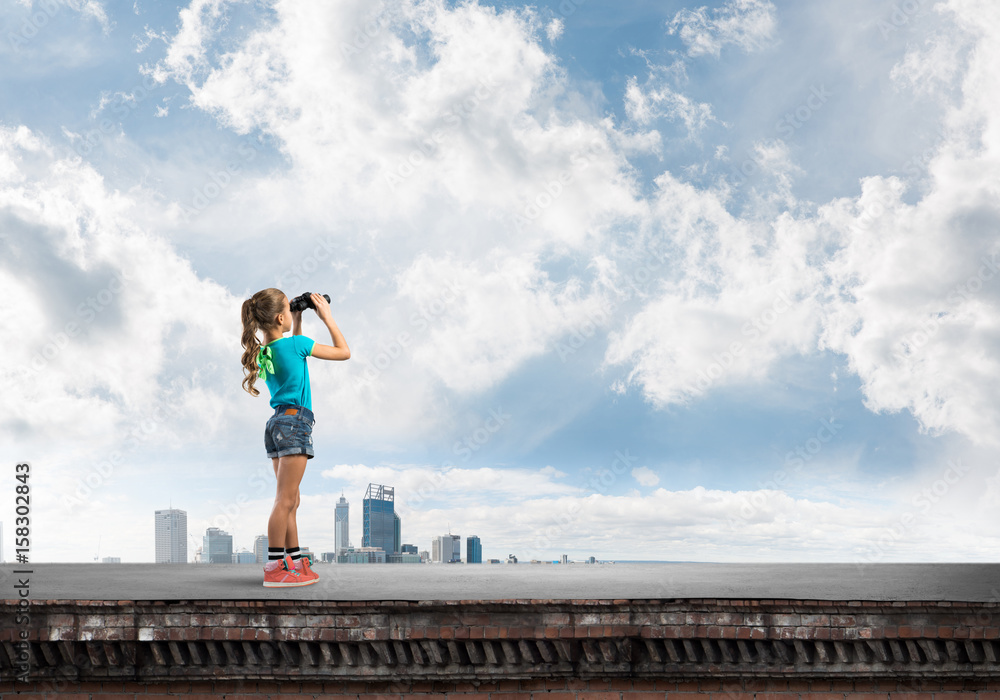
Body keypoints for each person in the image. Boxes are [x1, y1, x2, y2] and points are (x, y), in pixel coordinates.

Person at [240, 289, 350, 587]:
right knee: (284, 500)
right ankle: (276, 568)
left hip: (277, 424)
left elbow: (292, 357)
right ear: (279, 317)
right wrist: (327, 317)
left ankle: (295, 561)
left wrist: (297, 317)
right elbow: (344, 352)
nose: (291, 312)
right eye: (288, 309)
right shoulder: (298, 344)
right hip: (295, 423)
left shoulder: (264, 353)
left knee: (291, 499)